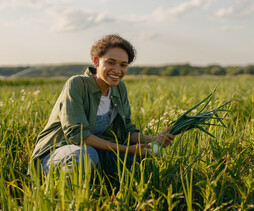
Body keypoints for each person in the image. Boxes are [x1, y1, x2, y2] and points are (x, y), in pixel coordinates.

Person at [30, 34, 174, 180]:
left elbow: (127, 132)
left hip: (94, 151)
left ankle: (101, 188)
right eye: (111, 63)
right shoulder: (77, 84)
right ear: (96, 61)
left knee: (141, 158)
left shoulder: (119, 88)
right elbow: (78, 137)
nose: (117, 70)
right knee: (85, 155)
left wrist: (155, 139)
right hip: (57, 154)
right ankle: (63, 196)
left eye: (123, 65)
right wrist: (127, 149)